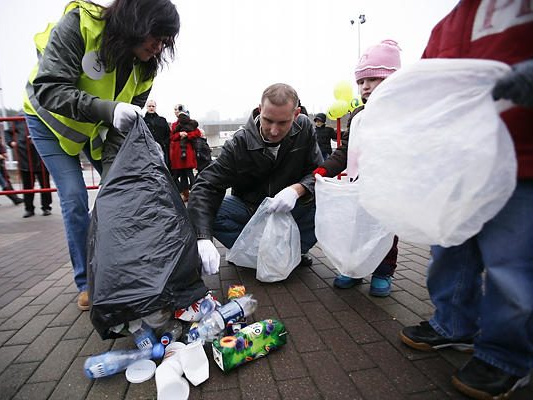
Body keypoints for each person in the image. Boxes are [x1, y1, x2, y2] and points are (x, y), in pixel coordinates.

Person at [399, 2, 533, 399]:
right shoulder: (452, 21)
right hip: (461, 164)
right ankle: (452, 323)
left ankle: (505, 353)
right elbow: (426, 86)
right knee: (450, 249)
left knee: (513, 264)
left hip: (523, 158)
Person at [23, 0, 180, 311]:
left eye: (165, 41)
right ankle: (87, 283)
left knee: (121, 193)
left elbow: (124, 126)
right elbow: (50, 88)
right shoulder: (80, 25)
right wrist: (108, 109)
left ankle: (122, 272)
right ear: (138, 22)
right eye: (157, 37)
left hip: (94, 127)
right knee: (74, 198)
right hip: (49, 121)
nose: (160, 47)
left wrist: (115, 181)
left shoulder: (145, 67)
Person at [188, 83, 323, 275]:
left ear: (296, 114)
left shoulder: (305, 128)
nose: (274, 131)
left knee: (327, 202)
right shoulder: (238, 143)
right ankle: (252, 253)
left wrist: (297, 189)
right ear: (260, 110)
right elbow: (206, 185)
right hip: (250, 207)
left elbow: (319, 171)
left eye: (283, 122)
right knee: (212, 212)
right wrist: (202, 237)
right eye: (268, 120)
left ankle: (296, 251)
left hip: (291, 207)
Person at [313, 40, 402, 297]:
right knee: (357, 230)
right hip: (359, 188)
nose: (365, 86)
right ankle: (355, 269)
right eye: (361, 81)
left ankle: (383, 271)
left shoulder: (400, 113)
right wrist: (324, 170)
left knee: (385, 234)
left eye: (373, 79)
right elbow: (345, 150)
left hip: (388, 189)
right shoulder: (359, 116)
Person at [5, 122, 53, 218]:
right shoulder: (19, 119)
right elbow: (7, 132)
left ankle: (46, 207)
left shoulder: (41, 115)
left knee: (45, 185)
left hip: (41, 158)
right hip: (25, 158)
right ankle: (29, 209)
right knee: (27, 186)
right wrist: (11, 142)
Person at [170, 105, 201, 202]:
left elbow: (197, 133)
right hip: (178, 153)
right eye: (175, 110)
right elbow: (172, 137)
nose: (176, 112)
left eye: (178, 110)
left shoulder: (190, 122)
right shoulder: (174, 124)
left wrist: (188, 135)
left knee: (189, 173)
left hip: (187, 152)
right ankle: (186, 195)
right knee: (182, 175)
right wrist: (179, 134)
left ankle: (197, 194)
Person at [143, 99, 171, 169]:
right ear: (146, 107)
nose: (151, 108)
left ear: (155, 107)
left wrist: (164, 144)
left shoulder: (162, 120)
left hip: (162, 148)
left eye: (153, 106)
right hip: (147, 149)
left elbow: (168, 134)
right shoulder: (142, 121)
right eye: (149, 106)